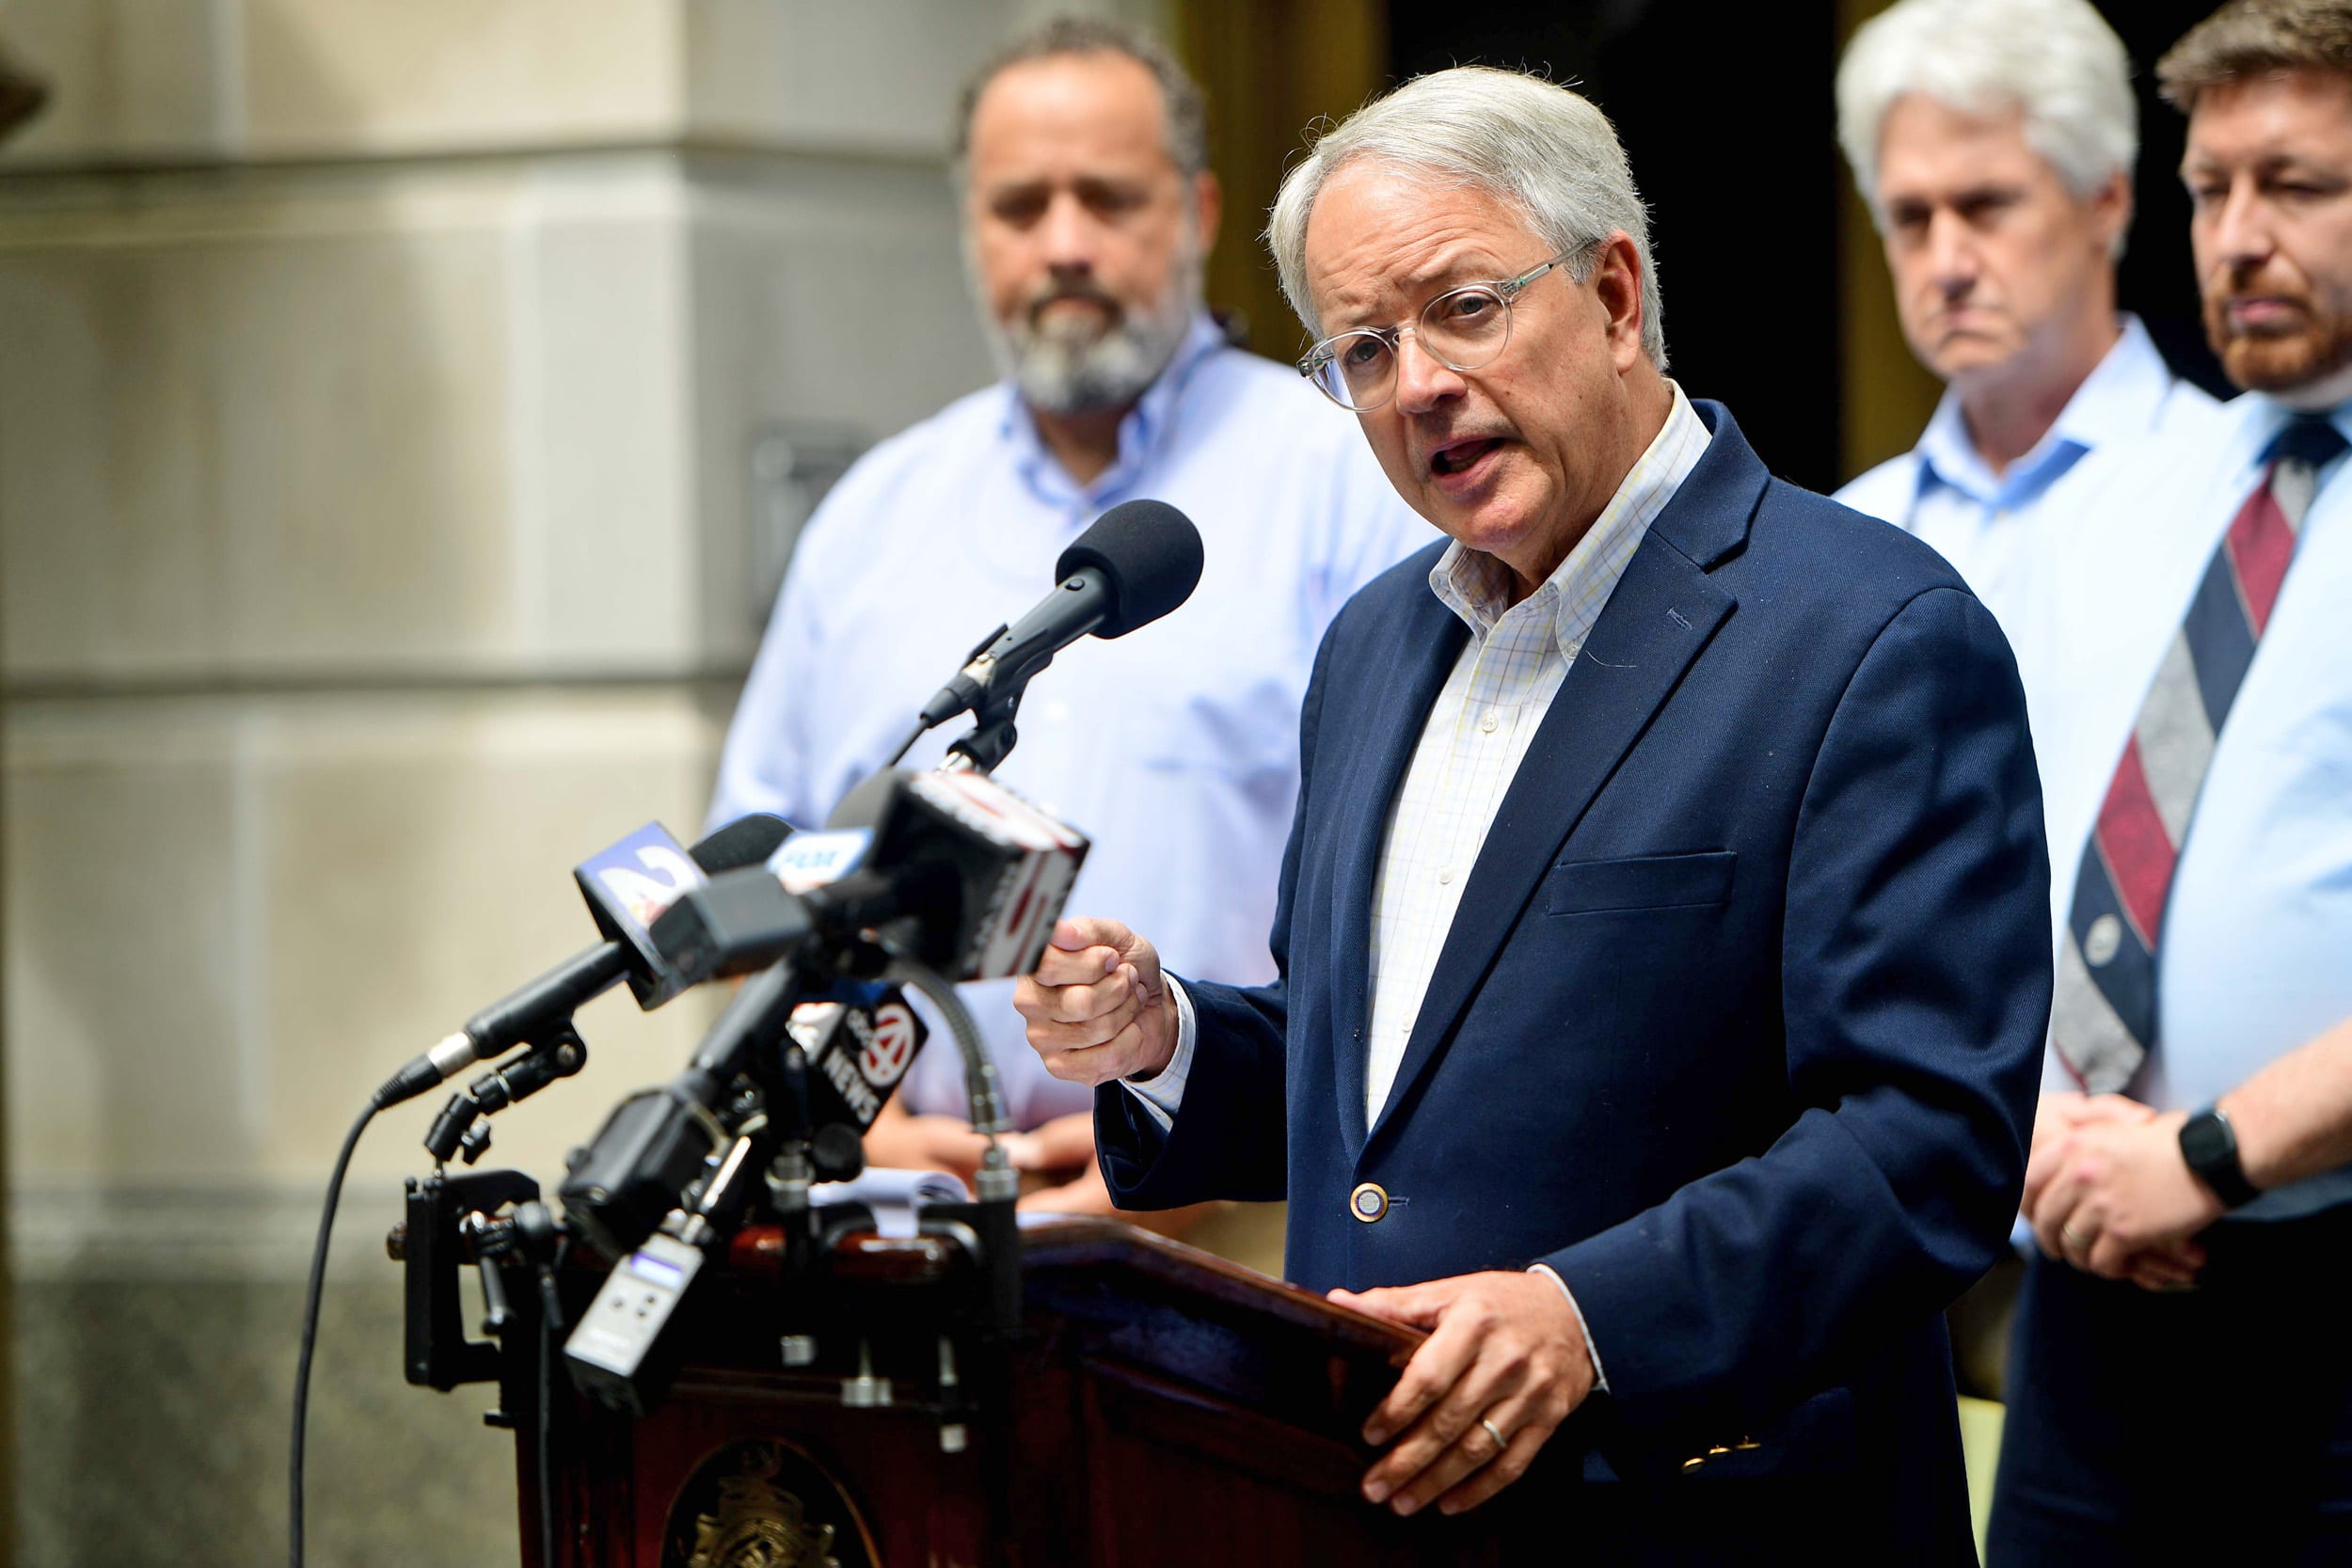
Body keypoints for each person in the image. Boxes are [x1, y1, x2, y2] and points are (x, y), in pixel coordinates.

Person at [1015, 66, 2049, 1560]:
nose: (1418, 383)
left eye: (1464, 309)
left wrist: (1586, 1317)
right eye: (1364, 349)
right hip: (1373, 1500)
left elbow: (1925, 1139)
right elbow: (1387, 1081)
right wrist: (1165, 1039)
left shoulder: (1870, 632)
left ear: (1615, 295)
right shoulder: (1376, 642)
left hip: (1712, 1514)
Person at [707, 19, 1428, 1214]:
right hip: (895, 1223)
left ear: (1198, 213)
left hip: (1241, 1224)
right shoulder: (875, 513)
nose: (1064, 244)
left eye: (1108, 198)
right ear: (970, 229)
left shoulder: (1350, 476)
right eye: (1019, 207)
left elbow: (1426, 896)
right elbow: (766, 869)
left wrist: (1183, 1149)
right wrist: (862, 1122)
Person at [1989, 2, 2352, 1559]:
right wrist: (2033, 1130)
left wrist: (2205, 1156)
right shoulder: (2122, 498)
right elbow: (2010, 857)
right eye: (2212, 190)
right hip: (2088, 1281)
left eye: (2298, 185)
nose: (2240, 236)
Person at [1835, 0, 2216, 639]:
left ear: (2106, 199)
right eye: (1911, 217)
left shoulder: (2234, 493)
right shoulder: (1848, 534)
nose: (1947, 265)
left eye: (1986, 205)